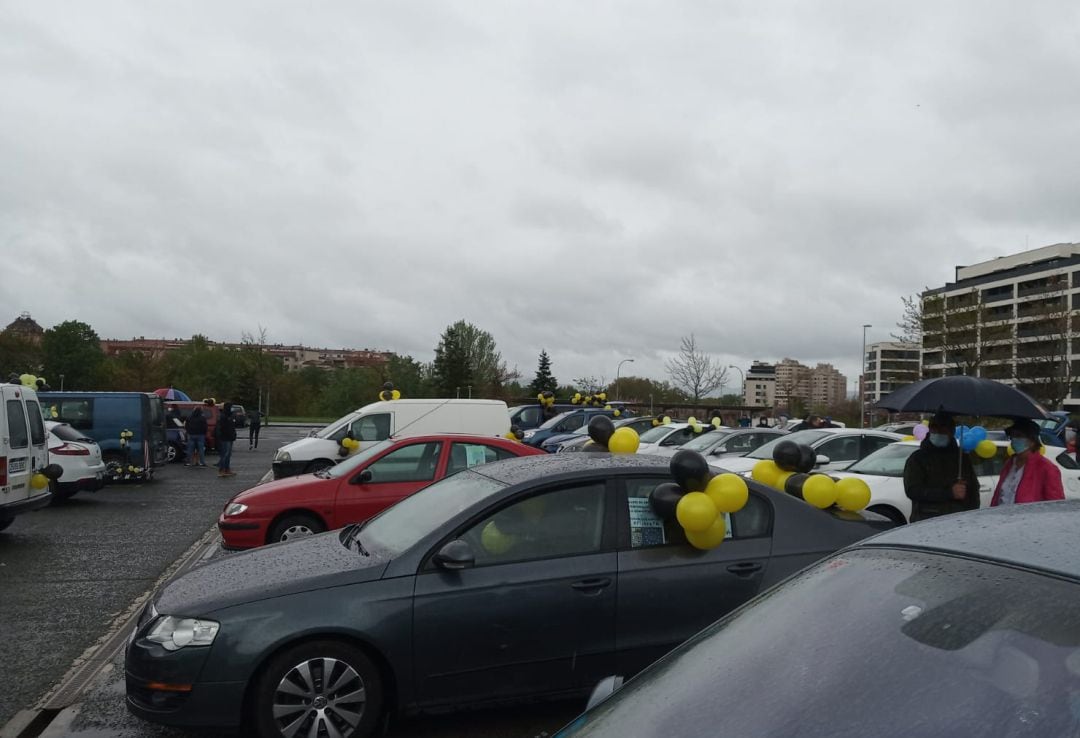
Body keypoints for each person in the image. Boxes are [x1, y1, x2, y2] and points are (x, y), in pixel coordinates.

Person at [903, 413, 979, 521]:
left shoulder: (962, 459)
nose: (938, 431)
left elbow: (974, 491)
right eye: (934, 427)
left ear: (951, 431)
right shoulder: (917, 459)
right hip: (927, 520)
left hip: (959, 521)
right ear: (929, 429)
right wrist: (949, 493)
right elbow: (913, 490)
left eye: (943, 427)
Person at [990, 419, 1065, 506]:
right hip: (1002, 517)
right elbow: (998, 496)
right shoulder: (1009, 464)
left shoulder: (1047, 468)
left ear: (1032, 441)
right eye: (1012, 436)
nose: (1014, 439)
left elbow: (1055, 505)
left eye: (1019, 436)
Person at [215, 403, 237, 477]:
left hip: (230, 438)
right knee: (224, 454)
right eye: (231, 407)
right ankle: (221, 470)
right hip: (225, 438)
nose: (232, 409)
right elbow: (223, 428)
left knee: (228, 455)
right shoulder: (223, 416)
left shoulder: (230, 416)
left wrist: (233, 435)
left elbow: (232, 427)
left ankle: (227, 469)